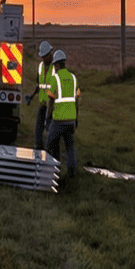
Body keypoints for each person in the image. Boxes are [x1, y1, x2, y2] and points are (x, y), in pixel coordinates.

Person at [44, 49, 81, 178]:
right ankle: (72, 175)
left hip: (59, 120)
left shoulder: (55, 79)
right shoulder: (73, 78)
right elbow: (77, 100)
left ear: (57, 65)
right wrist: (76, 119)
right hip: (71, 120)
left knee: (50, 145)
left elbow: (50, 101)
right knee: (70, 148)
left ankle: (49, 173)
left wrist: (47, 119)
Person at [24, 40, 55, 150]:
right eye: (42, 56)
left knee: (51, 132)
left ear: (50, 54)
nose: (43, 58)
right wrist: (31, 97)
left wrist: (49, 115)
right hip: (43, 103)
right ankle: (39, 149)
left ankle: (50, 153)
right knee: (38, 130)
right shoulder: (41, 66)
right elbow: (39, 85)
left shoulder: (56, 68)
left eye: (45, 56)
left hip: (53, 106)